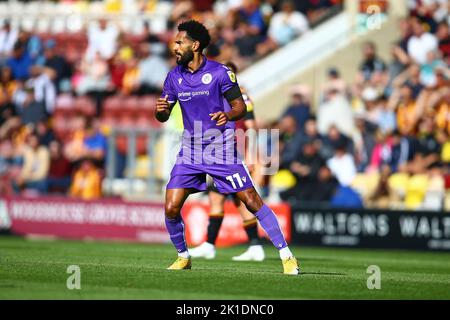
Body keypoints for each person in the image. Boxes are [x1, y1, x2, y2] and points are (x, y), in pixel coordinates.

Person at [156, 20, 299, 274]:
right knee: (171, 206)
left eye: (180, 42)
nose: (174, 46)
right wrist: (162, 112)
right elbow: (163, 115)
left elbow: (240, 107)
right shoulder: (173, 77)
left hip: (220, 149)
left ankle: (286, 255)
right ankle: (183, 256)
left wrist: (228, 116)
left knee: (251, 200)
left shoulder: (221, 73)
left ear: (195, 45)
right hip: (190, 150)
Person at [189, 61, 265, 262]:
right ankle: (210, 245)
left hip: (233, 153)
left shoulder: (241, 97)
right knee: (217, 198)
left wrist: (249, 156)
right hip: (218, 152)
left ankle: (255, 246)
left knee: (240, 200)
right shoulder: (216, 94)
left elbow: (251, 127)